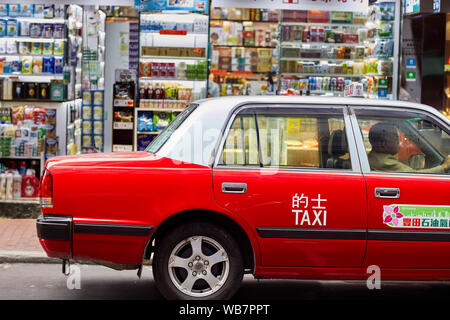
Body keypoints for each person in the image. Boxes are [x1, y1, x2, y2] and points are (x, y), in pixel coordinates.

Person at [368, 122, 450, 174]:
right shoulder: (384, 162)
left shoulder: (375, 157)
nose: (399, 143)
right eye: (396, 138)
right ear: (383, 143)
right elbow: (414, 175)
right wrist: (444, 167)